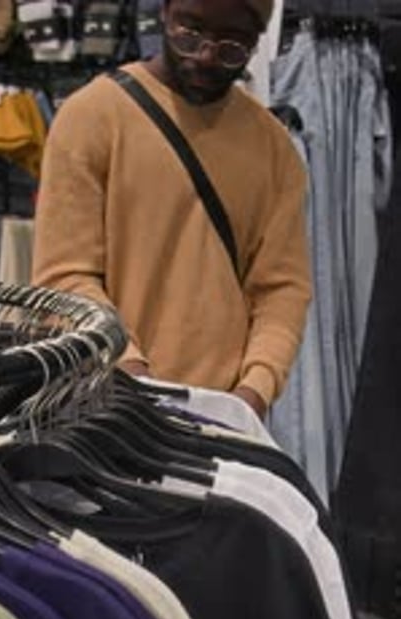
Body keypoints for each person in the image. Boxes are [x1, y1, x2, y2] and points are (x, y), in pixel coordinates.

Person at [32, 0, 311, 419]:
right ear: (164, 12)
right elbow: (64, 274)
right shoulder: (91, 117)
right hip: (106, 406)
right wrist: (131, 372)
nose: (205, 55)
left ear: (257, 41)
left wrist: (254, 391)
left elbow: (282, 289)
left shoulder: (274, 147)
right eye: (190, 32)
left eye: (231, 45)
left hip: (224, 415)